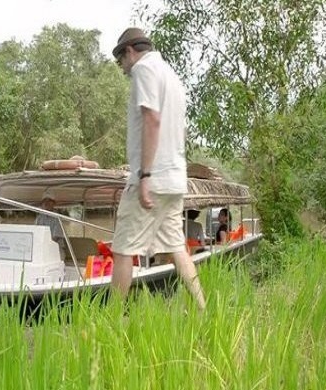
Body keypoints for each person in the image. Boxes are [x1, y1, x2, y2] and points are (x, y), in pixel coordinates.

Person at [109, 28, 206, 311]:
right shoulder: (172, 76)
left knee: (123, 248)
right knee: (176, 246)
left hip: (154, 178)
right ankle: (203, 311)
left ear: (129, 52)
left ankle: (111, 320)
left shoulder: (144, 69)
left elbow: (151, 118)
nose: (123, 69)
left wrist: (145, 176)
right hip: (175, 178)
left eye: (121, 61)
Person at [35, 190, 67, 258]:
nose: (47, 203)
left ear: (54, 203)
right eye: (45, 201)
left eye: (49, 200)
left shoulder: (58, 218)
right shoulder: (39, 218)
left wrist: (43, 246)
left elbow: (55, 238)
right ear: (42, 203)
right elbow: (36, 234)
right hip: (42, 249)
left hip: (56, 250)